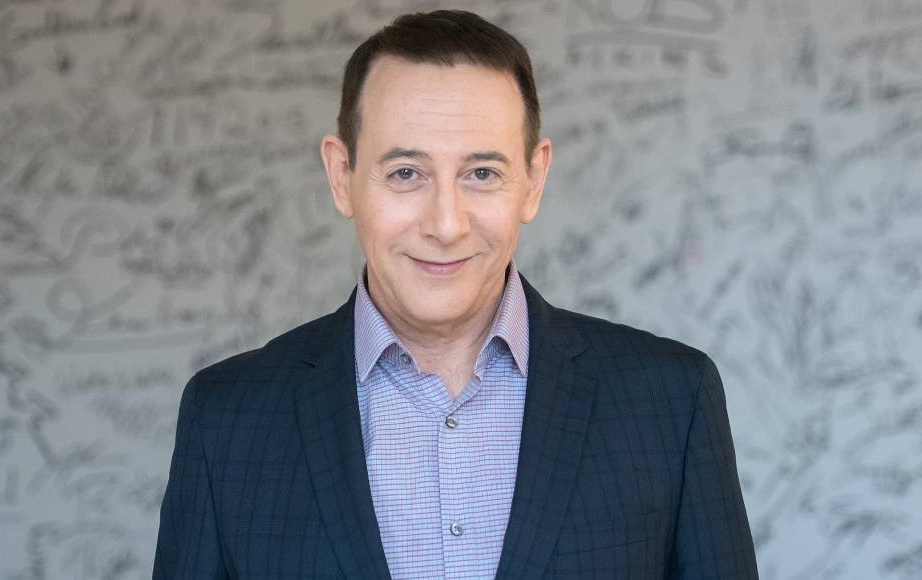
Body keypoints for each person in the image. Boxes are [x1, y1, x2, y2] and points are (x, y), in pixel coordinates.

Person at [153, 9, 758, 579]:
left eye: (482, 173)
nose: (446, 225)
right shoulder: (225, 418)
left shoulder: (672, 401)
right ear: (342, 178)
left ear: (533, 181)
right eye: (406, 173)